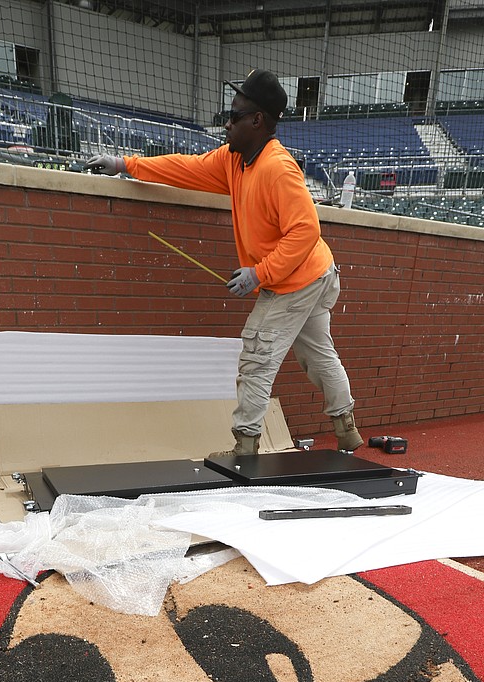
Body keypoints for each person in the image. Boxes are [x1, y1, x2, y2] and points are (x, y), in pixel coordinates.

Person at [86, 69, 362, 455]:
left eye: (234, 115)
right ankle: (346, 427)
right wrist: (125, 165)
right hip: (315, 272)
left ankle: (245, 445)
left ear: (257, 121)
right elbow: (186, 169)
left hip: (296, 278)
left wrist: (258, 274)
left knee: (256, 355)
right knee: (316, 352)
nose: (226, 123)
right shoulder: (235, 160)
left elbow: (305, 232)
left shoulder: (277, 168)